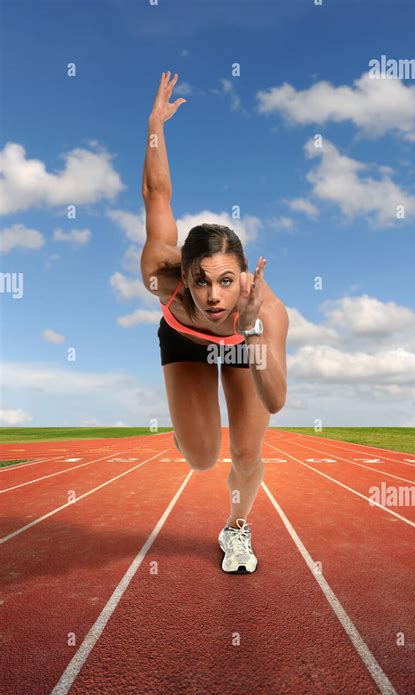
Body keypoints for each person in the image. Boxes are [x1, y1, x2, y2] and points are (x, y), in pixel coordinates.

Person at [140, 71, 289, 573]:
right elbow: (156, 194)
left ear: (245, 276)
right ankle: (187, 431)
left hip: (245, 347)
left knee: (247, 453)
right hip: (184, 344)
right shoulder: (161, 277)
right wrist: (155, 126)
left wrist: (250, 332)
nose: (213, 296)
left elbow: (276, 400)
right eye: (201, 282)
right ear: (183, 273)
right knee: (202, 457)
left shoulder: (265, 311)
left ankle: (236, 529)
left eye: (227, 281)